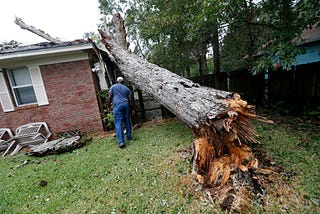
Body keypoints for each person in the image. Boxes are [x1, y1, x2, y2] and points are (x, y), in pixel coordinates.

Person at [108, 77, 135, 148]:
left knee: (118, 123)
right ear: (123, 82)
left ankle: (121, 142)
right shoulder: (126, 89)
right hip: (126, 105)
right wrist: (132, 109)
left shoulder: (113, 87)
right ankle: (129, 137)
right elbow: (130, 100)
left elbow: (110, 97)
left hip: (117, 106)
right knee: (127, 121)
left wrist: (108, 106)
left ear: (117, 81)